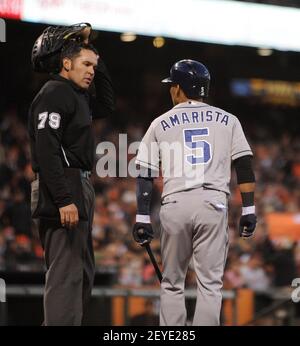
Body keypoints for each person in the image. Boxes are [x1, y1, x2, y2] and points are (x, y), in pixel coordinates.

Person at [132, 59, 257, 326]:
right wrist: (249, 209)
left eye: (172, 86)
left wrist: (142, 216)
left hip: (176, 203)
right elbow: (244, 166)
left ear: (179, 89)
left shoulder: (160, 122)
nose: (170, 91)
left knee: (172, 282)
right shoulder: (229, 120)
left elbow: (145, 172)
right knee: (210, 284)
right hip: (213, 203)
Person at [28, 25, 114, 325]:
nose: (92, 70)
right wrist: (64, 197)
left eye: (94, 65)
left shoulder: (75, 95)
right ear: (66, 64)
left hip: (76, 182)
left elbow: (106, 103)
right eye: (86, 64)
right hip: (63, 183)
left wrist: (95, 56)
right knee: (66, 275)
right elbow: (46, 149)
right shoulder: (55, 92)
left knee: (80, 273)